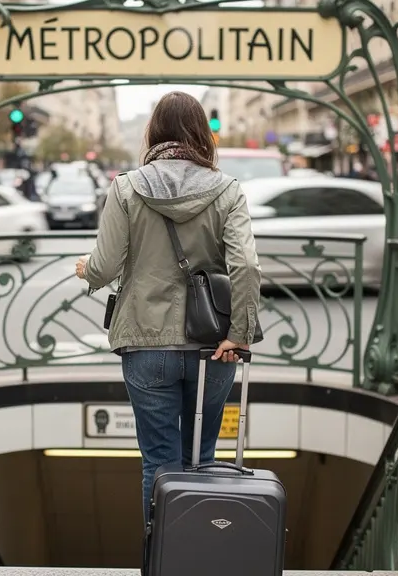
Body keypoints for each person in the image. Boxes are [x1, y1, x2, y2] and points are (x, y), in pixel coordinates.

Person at [73, 91, 262, 523]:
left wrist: (85, 269)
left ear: (154, 131)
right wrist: (239, 334)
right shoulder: (228, 190)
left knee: (158, 464)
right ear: (202, 133)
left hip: (145, 342)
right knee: (202, 459)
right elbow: (247, 266)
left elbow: (104, 266)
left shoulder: (126, 187)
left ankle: (159, 552)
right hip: (213, 346)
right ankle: (198, 550)